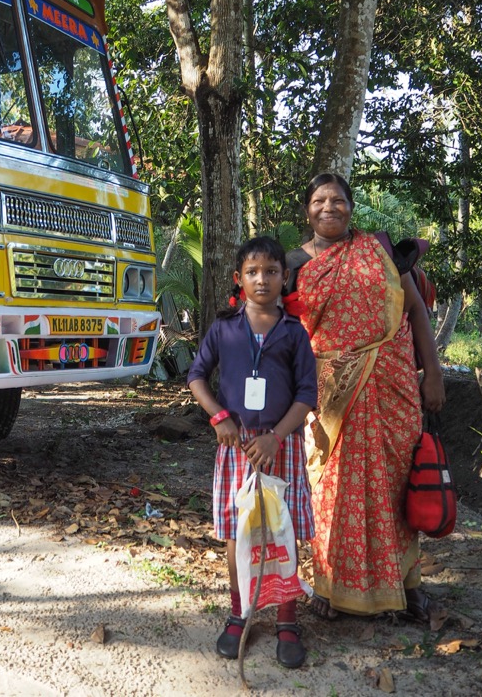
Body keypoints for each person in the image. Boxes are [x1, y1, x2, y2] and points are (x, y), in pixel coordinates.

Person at [285, 172, 446, 622]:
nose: (329, 207)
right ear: (307, 210)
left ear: (351, 208)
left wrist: (431, 373)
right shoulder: (295, 264)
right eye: (319, 200)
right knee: (331, 491)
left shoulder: (378, 252)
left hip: (391, 386)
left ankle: (404, 582)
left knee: (394, 486)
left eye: (338, 200)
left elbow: (414, 311)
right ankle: (330, 584)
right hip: (328, 395)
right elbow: (281, 333)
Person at [187, 236, 318, 669]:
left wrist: (277, 436)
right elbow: (197, 376)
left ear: (285, 278)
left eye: (271, 272)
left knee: (284, 531)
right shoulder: (224, 327)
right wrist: (219, 417)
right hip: (237, 447)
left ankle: (286, 618)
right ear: (239, 279)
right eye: (252, 272)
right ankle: (240, 611)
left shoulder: (295, 332)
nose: (262, 279)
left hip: (280, 447)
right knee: (239, 532)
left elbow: (306, 393)